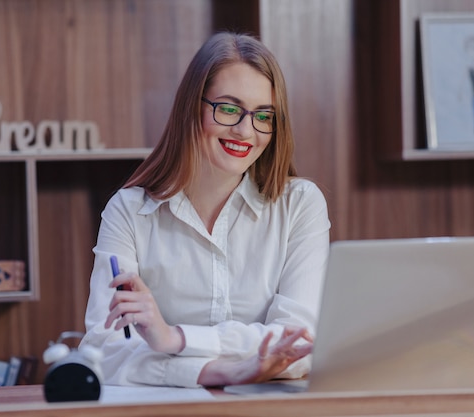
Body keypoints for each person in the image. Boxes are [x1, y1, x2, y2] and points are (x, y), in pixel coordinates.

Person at [79, 31, 330, 388]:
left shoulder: (301, 205)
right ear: (191, 108)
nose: (246, 131)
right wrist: (225, 371)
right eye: (228, 109)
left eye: (264, 115)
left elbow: (299, 342)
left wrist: (175, 339)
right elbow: (104, 352)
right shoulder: (129, 211)